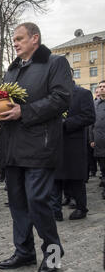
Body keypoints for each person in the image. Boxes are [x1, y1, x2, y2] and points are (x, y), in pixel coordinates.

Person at [0, 22, 73, 272]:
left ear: (35, 39)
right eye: (13, 39)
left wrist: (23, 112)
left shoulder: (55, 62)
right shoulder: (12, 69)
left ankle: (53, 254)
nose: (14, 43)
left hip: (41, 145)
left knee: (38, 201)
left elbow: (62, 98)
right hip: (12, 147)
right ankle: (24, 251)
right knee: (17, 203)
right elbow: (7, 101)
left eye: (19, 38)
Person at [51, 82, 96, 221]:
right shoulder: (51, 94)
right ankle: (55, 211)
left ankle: (81, 208)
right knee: (54, 178)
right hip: (54, 142)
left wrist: (66, 123)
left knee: (76, 178)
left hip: (73, 142)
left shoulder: (83, 93)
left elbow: (89, 116)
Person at [90, 80, 105, 200]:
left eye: (104, 86)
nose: (101, 88)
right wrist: (91, 139)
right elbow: (91, 124)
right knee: (103, 168)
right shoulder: (95, 104)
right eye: (100, 86)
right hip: (99, 141)